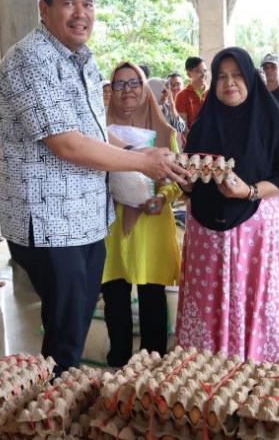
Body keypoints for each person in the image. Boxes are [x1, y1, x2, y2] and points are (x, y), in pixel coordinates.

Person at [0, 0, 186, 374]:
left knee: (75, 326)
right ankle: (49, 414)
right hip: (49, 223)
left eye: (88, 4)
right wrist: (142, 160)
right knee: (64, 336)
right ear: (44, 9)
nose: (81, 13)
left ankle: (58, 399)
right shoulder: (31, 60)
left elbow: (94, 133)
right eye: (69, 3)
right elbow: (66, 142)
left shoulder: (83, 61)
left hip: (86, 220)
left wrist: (155, 157)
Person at [175, 46, 279, 363]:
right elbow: (192, 177)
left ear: (250, 78)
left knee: (252, 294)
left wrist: (248, 190)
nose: (229, 83)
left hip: (254, 229)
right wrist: (184, 181)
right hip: (206, 233)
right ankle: (205, 363)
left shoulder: (271, 120)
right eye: (221, 76)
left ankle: (256, 360)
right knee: (207, 298)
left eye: (236, 75)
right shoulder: (205, 123)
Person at [102, 62, 181, 366]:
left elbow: (176, 180)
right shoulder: (100, 131)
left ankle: (153, 363)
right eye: (119, 84)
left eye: (134, 83)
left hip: (152, 223)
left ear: (145, 87)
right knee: (115, 295)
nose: (127, 91)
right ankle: (119, 362)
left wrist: (162, 196)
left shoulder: (163, 131)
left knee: (152, 297)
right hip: (112, 223)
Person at [175, 56, 209, 135]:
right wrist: (192, 142)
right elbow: (183, 127)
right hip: (191, 143)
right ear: (189, 74)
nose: (203, 74)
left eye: (205, 71)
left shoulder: (213, 93)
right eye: (198, 71)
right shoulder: (181, 96)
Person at [160, 72, 187, 137]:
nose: (175, 88)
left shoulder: (188, 105)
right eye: (171, 85)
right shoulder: (164, 107)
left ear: (183, 86)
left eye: (178, 84)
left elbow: (182, 129)